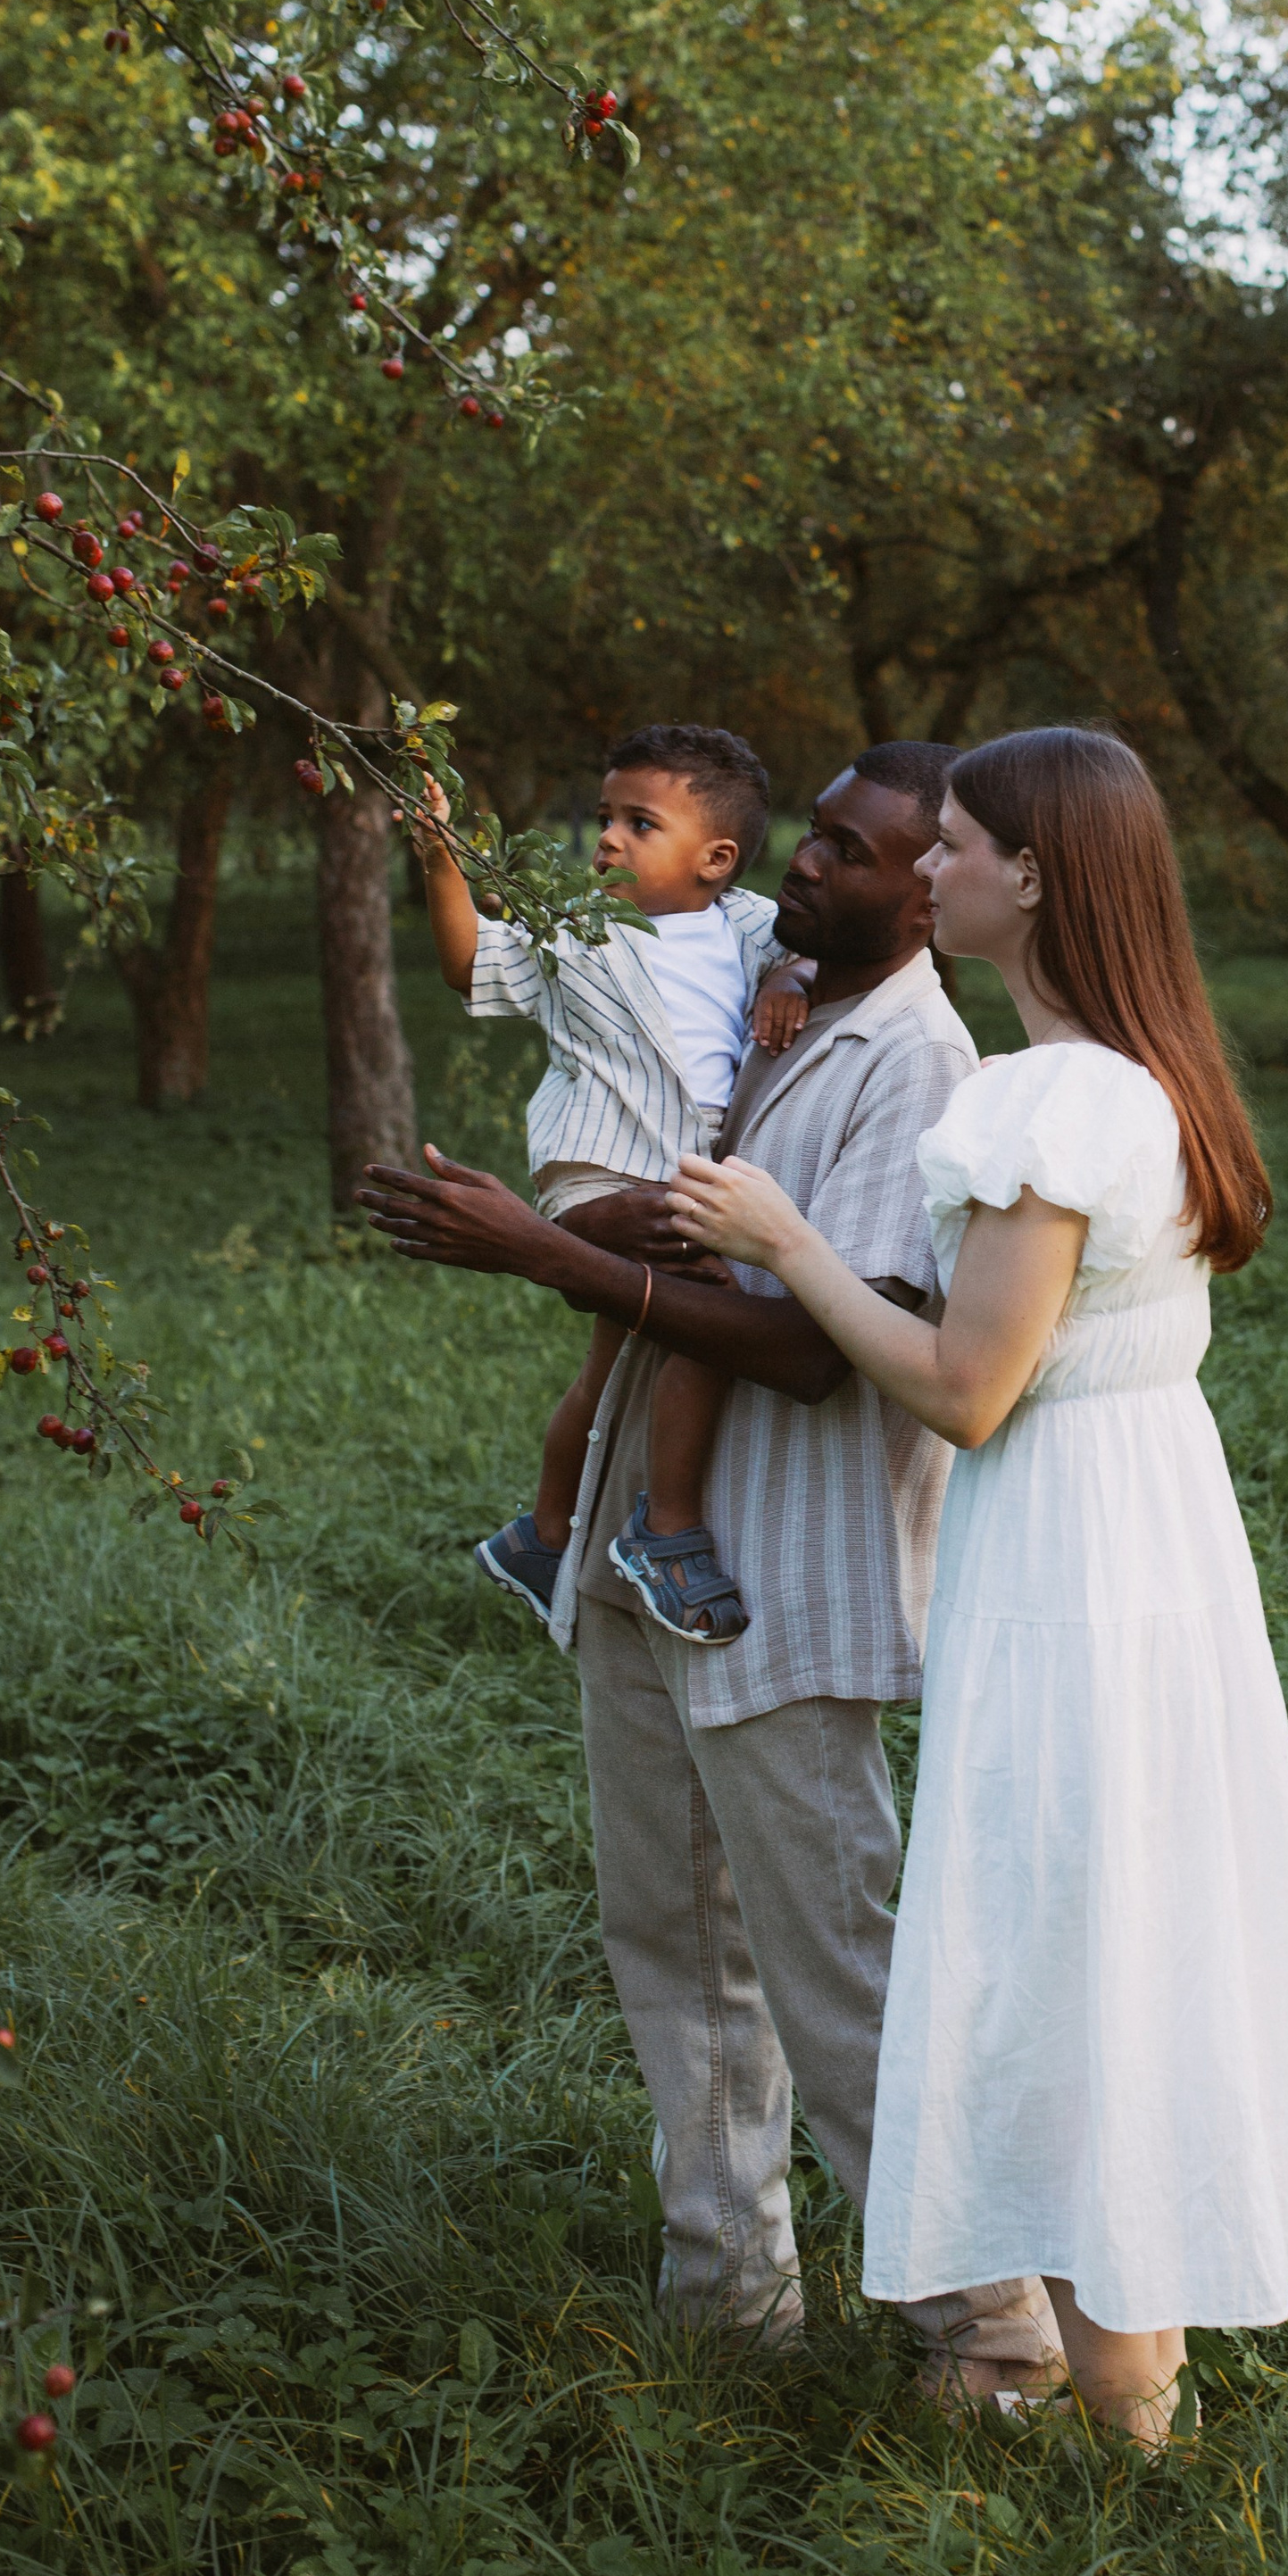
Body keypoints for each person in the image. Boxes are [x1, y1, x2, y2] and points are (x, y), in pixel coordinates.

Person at [666, 727, 1288, 2445]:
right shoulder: (1148, 1074)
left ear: (1032, 876)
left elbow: (970, 1386)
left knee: (1069, 1933)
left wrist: (786, 1242)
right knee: (1134, 1920)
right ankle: (1140, 2392)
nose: (934, 870)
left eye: (958, 845)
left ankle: (1116, 2407)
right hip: (1154, 1534)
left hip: (1070, 1555)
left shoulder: (1043, 1100)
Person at [362, 744, 1065, 2400]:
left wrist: (540, 1246)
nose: (803, 872)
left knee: (839, 1975)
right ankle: (728, 2295)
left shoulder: (921, 1067)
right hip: (642, 1552)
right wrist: (540, 1231)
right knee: (671, 1941)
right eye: (808, 840)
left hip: (784, 1583)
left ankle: (997, 2345)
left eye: (850, 851)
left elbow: (822, 1352)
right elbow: (668, 1203)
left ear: (928, 897)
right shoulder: (776, 1000)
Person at [413, 721, 810, 1646]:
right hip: (602, 1172)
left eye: (639, 824)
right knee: (707, 1324)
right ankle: (666, 1528)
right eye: (604, 818)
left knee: (611, 1363)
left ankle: (544, 1535)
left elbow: (807, 949)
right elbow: (467, 961)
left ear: (715, 859)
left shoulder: (749, 925)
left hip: (687, 1170)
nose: (606, 839)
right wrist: (438, 856)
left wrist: (793, 972)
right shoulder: (575, 934)